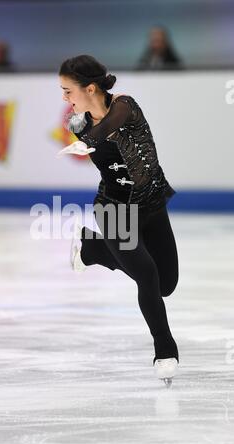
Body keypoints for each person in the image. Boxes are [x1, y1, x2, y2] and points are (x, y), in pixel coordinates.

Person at [58, 54, 179, 386]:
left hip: (152, 205)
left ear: (91, 88)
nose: (65, 99)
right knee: (148, 275)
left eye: (68, 91)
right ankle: (164, 348)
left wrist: (89, 143)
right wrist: (84, 139)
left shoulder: (126, 105)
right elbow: (94, 138)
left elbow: (113, 123)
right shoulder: (77, 123)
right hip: (114, 210)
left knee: (166, 284)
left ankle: (92, 250)